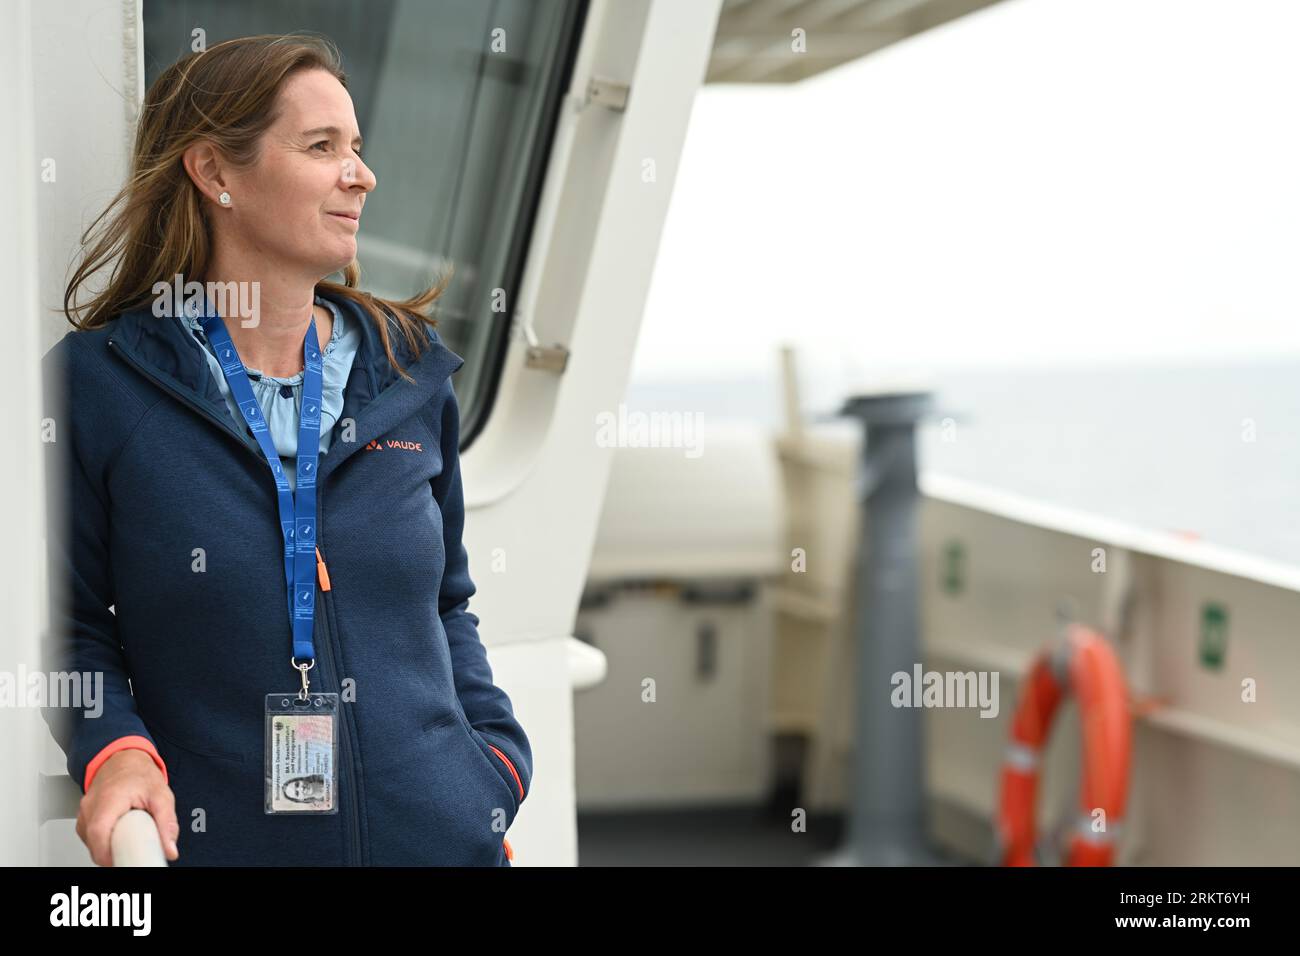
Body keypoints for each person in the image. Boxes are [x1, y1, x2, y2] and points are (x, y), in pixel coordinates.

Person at [41, 34, 531, 866]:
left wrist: (490, 770)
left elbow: (448, 602)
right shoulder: (97, 388)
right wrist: (115, 751)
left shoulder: (410, 369)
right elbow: (69, 630)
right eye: (322, 147)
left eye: (358, 149)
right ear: (215, 174)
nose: (361, 174)